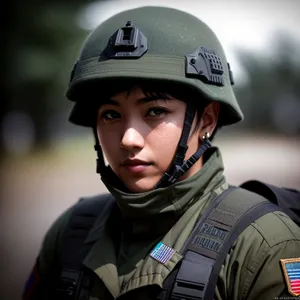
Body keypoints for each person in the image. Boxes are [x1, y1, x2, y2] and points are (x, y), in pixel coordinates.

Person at [23, 6, 300, 300]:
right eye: (110, 115)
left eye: (155, 111)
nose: (129, 139)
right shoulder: (73, 232)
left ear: (206, 119)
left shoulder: (263, 246)